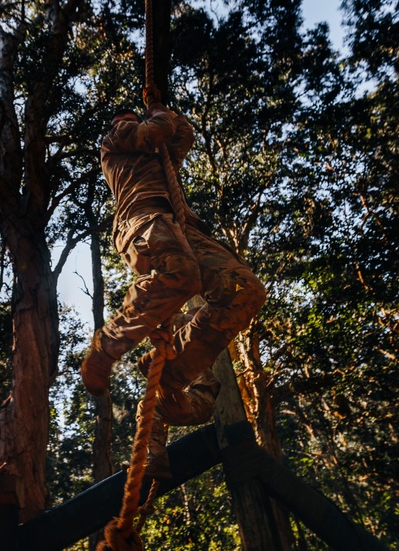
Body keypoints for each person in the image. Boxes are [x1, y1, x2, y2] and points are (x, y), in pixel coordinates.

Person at [81, 101, 266, 477]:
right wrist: (156, 117)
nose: (135, 121)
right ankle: (108, 345)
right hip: (143, 218)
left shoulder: (156, 155)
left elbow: (181, 136)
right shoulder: (116, 141)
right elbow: (155, 131)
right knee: (181, 274)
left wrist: (168, 112)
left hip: (186, 229)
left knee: (247, 290)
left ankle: (173, 375)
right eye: (130, 117)